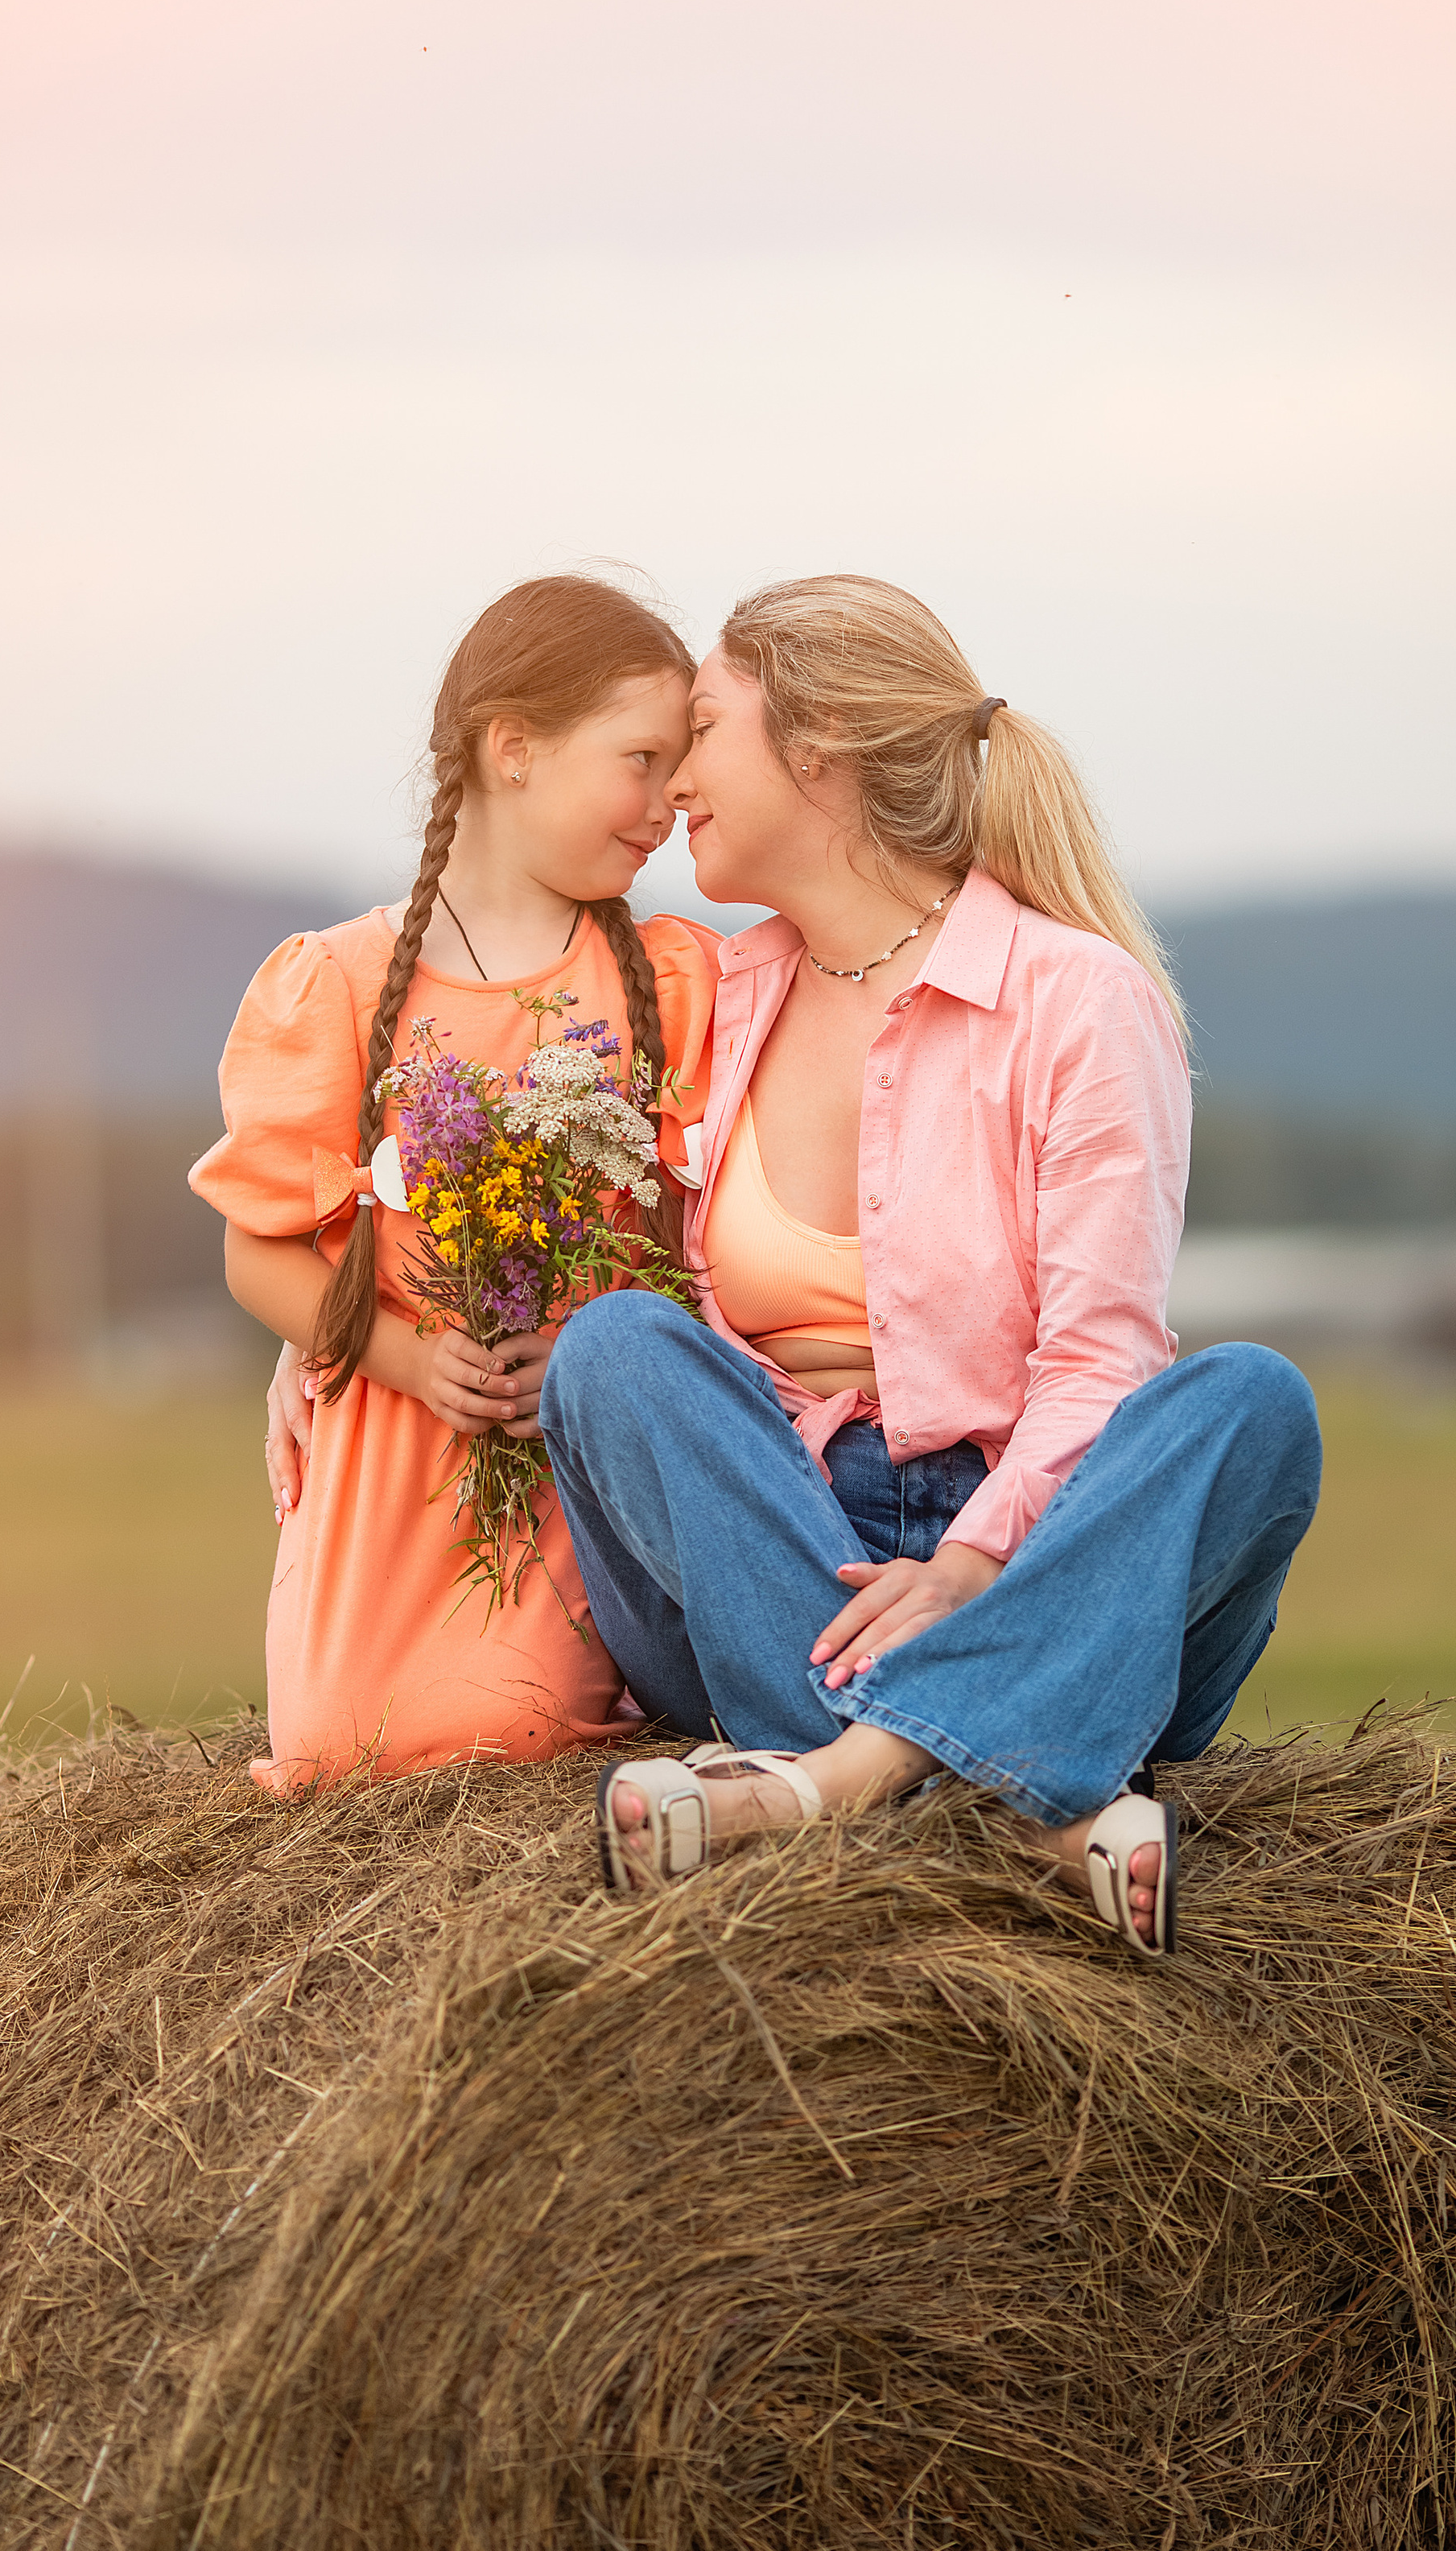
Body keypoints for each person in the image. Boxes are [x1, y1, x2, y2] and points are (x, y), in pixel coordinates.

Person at [538, 574, 1322, 1952]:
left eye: (704, 731)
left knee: (1252, 1402)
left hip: (1048, 1555)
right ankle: (1042, 1795)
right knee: (612, 1353)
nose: (671, 790)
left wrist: (969, 1567)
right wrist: (336, 1323)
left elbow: (1097, 1365)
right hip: (781, 1547)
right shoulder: (719, 993)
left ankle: (838, 1781)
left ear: (823, 741)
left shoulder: (1077, 1003)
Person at [194, 574, 718, 1797]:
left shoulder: (673, 982)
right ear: (514, 748)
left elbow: (700, 1245)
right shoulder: (337, 983)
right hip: (393, 1452)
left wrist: (591, 1351)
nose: (665, 806)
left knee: (514, 1729)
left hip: (571, 1469)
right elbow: (258, 1254)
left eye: (680, 767)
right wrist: (400, 1357)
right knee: (343, 1747)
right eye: (640, 760)